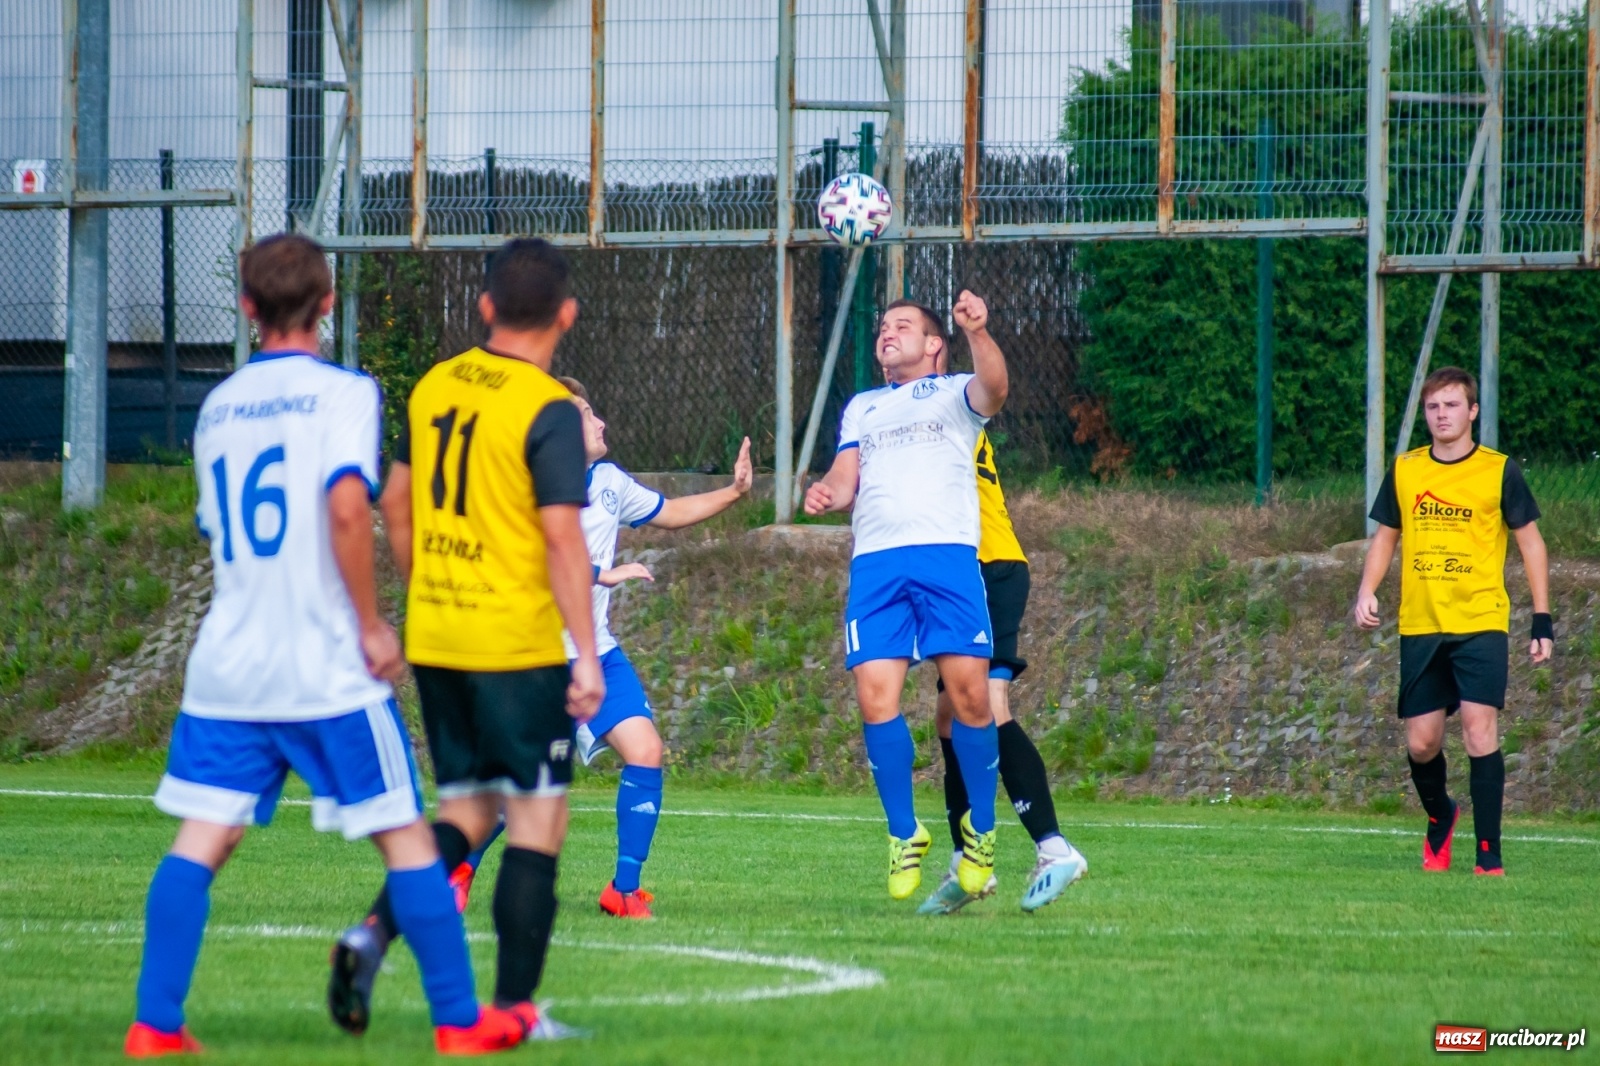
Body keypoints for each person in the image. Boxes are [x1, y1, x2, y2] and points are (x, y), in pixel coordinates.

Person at [126, 233, 524, 1058]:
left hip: (229, 663)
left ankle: (154, 1023)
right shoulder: (344, 394)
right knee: (407, 836)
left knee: (204, 838)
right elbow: (349, 507)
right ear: (329, 303)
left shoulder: (216, 407)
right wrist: (375, 624)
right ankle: (459, 1022)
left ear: (245, 308)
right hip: (325, 666)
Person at [327, 238, 601, 1040]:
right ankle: (515, 1008)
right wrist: (585, 654)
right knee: (538, 819)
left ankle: (371, 933)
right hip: (514, 644)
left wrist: (423, 592)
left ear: (484, 307)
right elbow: (561, 541)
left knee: (469, 810)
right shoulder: (547, 406)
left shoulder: (435, 384)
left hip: (438, 635)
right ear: (566, 314)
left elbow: (397, 502)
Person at [448, 377, 755, 920]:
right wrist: (602, 574)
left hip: (596, 655)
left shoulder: (610, 480)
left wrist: (733, 492)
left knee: (646, 751)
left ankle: (624, 889)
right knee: (526, 786)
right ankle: (459, 870)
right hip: (537, 657)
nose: (601, 422)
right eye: (588, 414)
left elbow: (670, 511)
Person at [804, 292, 1008, 902]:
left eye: (902, 326)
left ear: (934, 344)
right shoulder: (862, 406)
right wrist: (829, 493)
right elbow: (846, 476)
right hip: (876, 565)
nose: (887, 334)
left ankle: (983, 832)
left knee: (971, 697)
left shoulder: (955, 393)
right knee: (874, 697)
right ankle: (903, 835)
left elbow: (995, 389)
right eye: (882, 327)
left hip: (945, 557)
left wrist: (980, 332)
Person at [1353, 366, 1552, 876]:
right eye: (1433, 407)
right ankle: (1441, 815)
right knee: (1421, 743)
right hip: (1421, 624)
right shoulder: (1406, 470)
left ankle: (1489, 855)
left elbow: (1530, 543)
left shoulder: (1498, 470)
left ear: (1472, 411)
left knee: (1478, 727)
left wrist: (1542, 619)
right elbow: (1386, 537)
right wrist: (1366, 590)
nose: (1442, 415)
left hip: (1482, 620)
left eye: (1451, 405)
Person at [917, 402, 1089, 915]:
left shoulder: (940, 410)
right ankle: (969, 864)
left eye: (902, 326)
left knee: (988, 706)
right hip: (961, 572)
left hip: (986, 566)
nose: (885, 337)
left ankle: (1054, 849)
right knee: (951, 720)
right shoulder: (915, 409)